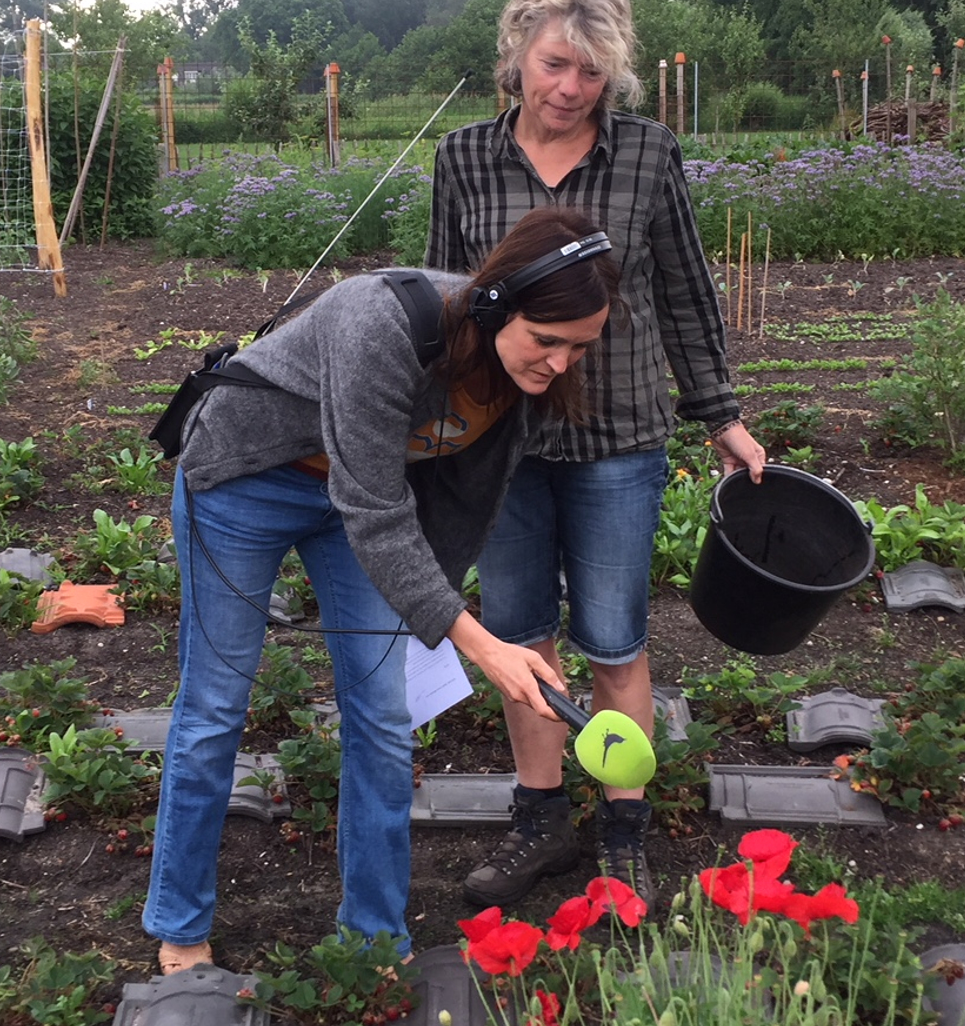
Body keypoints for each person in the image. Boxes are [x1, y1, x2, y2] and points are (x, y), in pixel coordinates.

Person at [145, 207, 621, 973]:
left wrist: (434, 618)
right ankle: (180, 923)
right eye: (548, 341)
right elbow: (374, 503)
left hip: (359, 508)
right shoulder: (383, 320)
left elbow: (458, 508)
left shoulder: (520, 381)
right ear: (498, 304)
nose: (560, 364)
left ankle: (373, 936)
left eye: (580, 349)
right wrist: (474, 639)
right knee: (214, 707)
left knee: (383, 715)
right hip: (244, 481)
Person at [425, 0, 766, 911]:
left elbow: (689, 293)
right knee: (521, 636)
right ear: (517, 60)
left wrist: (722, 416)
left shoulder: (649, 155)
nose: (571, 89)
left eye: (592, 72)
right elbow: (446, 304)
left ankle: (624, 830)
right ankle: (540, 822)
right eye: (554, 65)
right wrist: (436, 436)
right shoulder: (462, 158)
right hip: (502, 440)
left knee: (614, 640)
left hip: (621, 435)